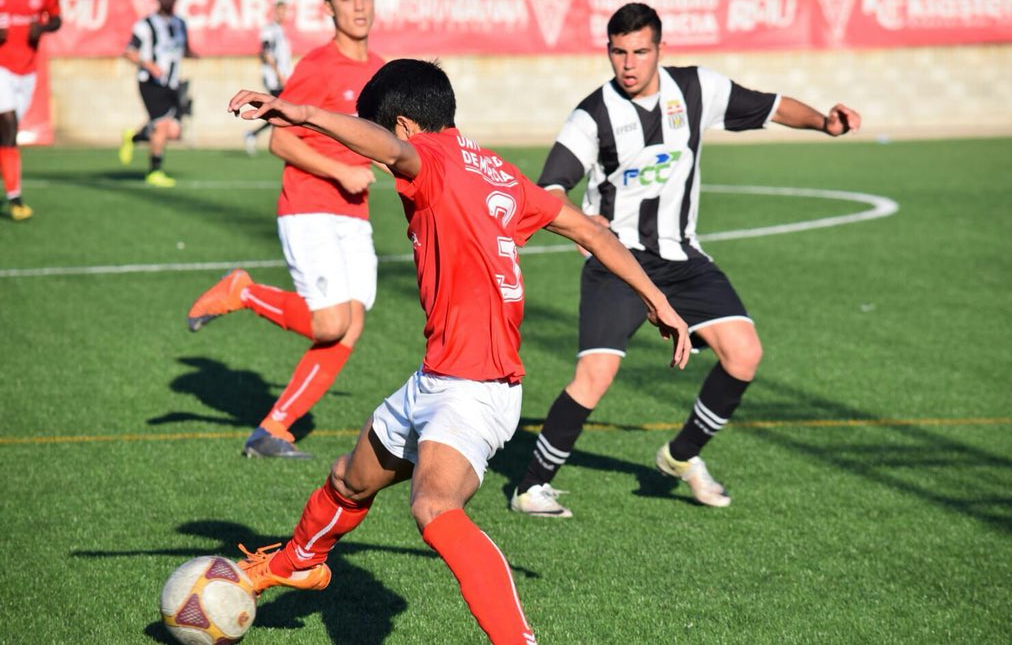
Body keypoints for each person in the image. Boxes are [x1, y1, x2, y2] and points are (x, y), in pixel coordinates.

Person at [226, 58, 690, 644]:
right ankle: (300, 561)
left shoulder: (434, 160)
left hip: (477, 386)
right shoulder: (495, 170)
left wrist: (302, 113)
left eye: (384, 136)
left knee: (434, 506)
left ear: (404, 126)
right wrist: (657, 299)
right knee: (348, 480)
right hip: (437, 377)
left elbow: (392, 152)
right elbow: (592, 232)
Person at [509, 2, 862, 516]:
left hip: (682, 257)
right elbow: (551, 185)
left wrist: (822, 122)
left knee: (744, 354)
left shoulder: (696, 89)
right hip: (619, 265)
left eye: (640, 51)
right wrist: (582, 225)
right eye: (618, 52)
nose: (628, 63)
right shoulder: (593, 114)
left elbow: (769, 106)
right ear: (608, 51)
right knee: (596, 376)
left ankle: (680, 456)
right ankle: (530, 488)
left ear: (660, 50)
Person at [186, 0, 383, 459]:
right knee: (330, 324)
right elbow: (280, 141)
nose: (358, 7)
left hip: (354, 213)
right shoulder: (316, 66)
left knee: (352, 323)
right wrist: (340, 172)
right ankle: (244, 291)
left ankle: (272, 428)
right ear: (328, 8)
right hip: (309, 206)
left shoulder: (381, 70)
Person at [119, 0, 197, 188]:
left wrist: (194, 55)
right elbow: (128, 52)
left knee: (175, 131)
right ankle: (154, 171)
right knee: (162, 126)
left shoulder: (180, 24)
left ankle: (135, 136)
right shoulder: (146, 25)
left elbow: (184, 49)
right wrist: (149, 65)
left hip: (172, 84)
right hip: (151, 82)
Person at [0, 0, 61, 221]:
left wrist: (44, 27)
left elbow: (56, 18)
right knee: (9, 127)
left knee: (5, 137)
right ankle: (15, 199)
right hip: (1, 67)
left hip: (27, 71)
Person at [244, 0, 292, 156]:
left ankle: (253, 134)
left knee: (278, 110)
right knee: (281, 110)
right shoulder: (270, 30)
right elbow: (265, 53)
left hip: (281, 76)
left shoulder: (281, 30)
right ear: (275, 12)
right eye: (280, 11)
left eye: (285, 11)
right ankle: (260, 136)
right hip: (274, 78)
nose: (282, 14)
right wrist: (279, 74)